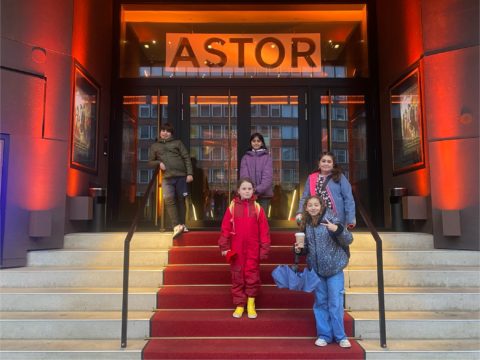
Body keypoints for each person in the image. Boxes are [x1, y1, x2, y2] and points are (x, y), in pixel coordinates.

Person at [295, 195, 353, 348]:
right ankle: (324, 335)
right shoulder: (306, 224)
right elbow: (306, 247)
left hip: (334, 268)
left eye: (316, 204)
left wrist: (337, 230)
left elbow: (348, 239)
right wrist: (299, 250)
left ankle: (341, 336)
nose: (313, 207)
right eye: (310, 205)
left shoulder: (332, 219)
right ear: (306, 208)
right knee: (320, 302)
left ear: (321, 206)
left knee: (335, 303)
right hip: (317, 270)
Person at [218, 177, 271, 319]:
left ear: (253, 190)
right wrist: (224, 245)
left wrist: (264, 248)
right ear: (238, 191)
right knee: (237, 276)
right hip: (236, 249)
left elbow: (264, 231)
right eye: (244, 189)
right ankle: (240, 304)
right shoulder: (232, 207)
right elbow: (225, 228)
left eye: (249, 189)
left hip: (253, 249)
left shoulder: (258, 208)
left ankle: (251, 303)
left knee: (252, 275)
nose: (247, 191)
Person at [148, 122, 193, 239]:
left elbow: (186, 157)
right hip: (167, 178)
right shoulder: (155, 146)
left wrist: (190, 173)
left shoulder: (177, 143)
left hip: (181, 176)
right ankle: (176, 225)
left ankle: (183, 224)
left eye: (167, 131)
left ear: (171, 133)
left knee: (181, 200)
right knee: (169, 200)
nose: (165, 133)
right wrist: (159, 163)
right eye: (163, 130)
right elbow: (150, 162)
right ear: (160, 132)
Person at [296, 151, 356, 228]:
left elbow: (348, 199)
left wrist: (350, 219)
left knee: (336, 239)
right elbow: (305, 197)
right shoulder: (312, 177)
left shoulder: (340, 177)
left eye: (329, 161)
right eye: (323, 161)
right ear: (319, 163)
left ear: (333, 164)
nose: (326, 163)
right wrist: (300, 212)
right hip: (316, 218)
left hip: (336, 219)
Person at [239, 133, 273, 214]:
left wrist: (256, 190)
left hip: (264, 196)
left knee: (262, 221)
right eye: (254, 141)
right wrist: (250, 190)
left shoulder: (267, 158)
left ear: (262, 143)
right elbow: (244, 176)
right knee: (249, 221)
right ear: (251, 142)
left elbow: (267, 177)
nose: (256, 143)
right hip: (248, 196)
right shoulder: (245, 158)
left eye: (258, 141)